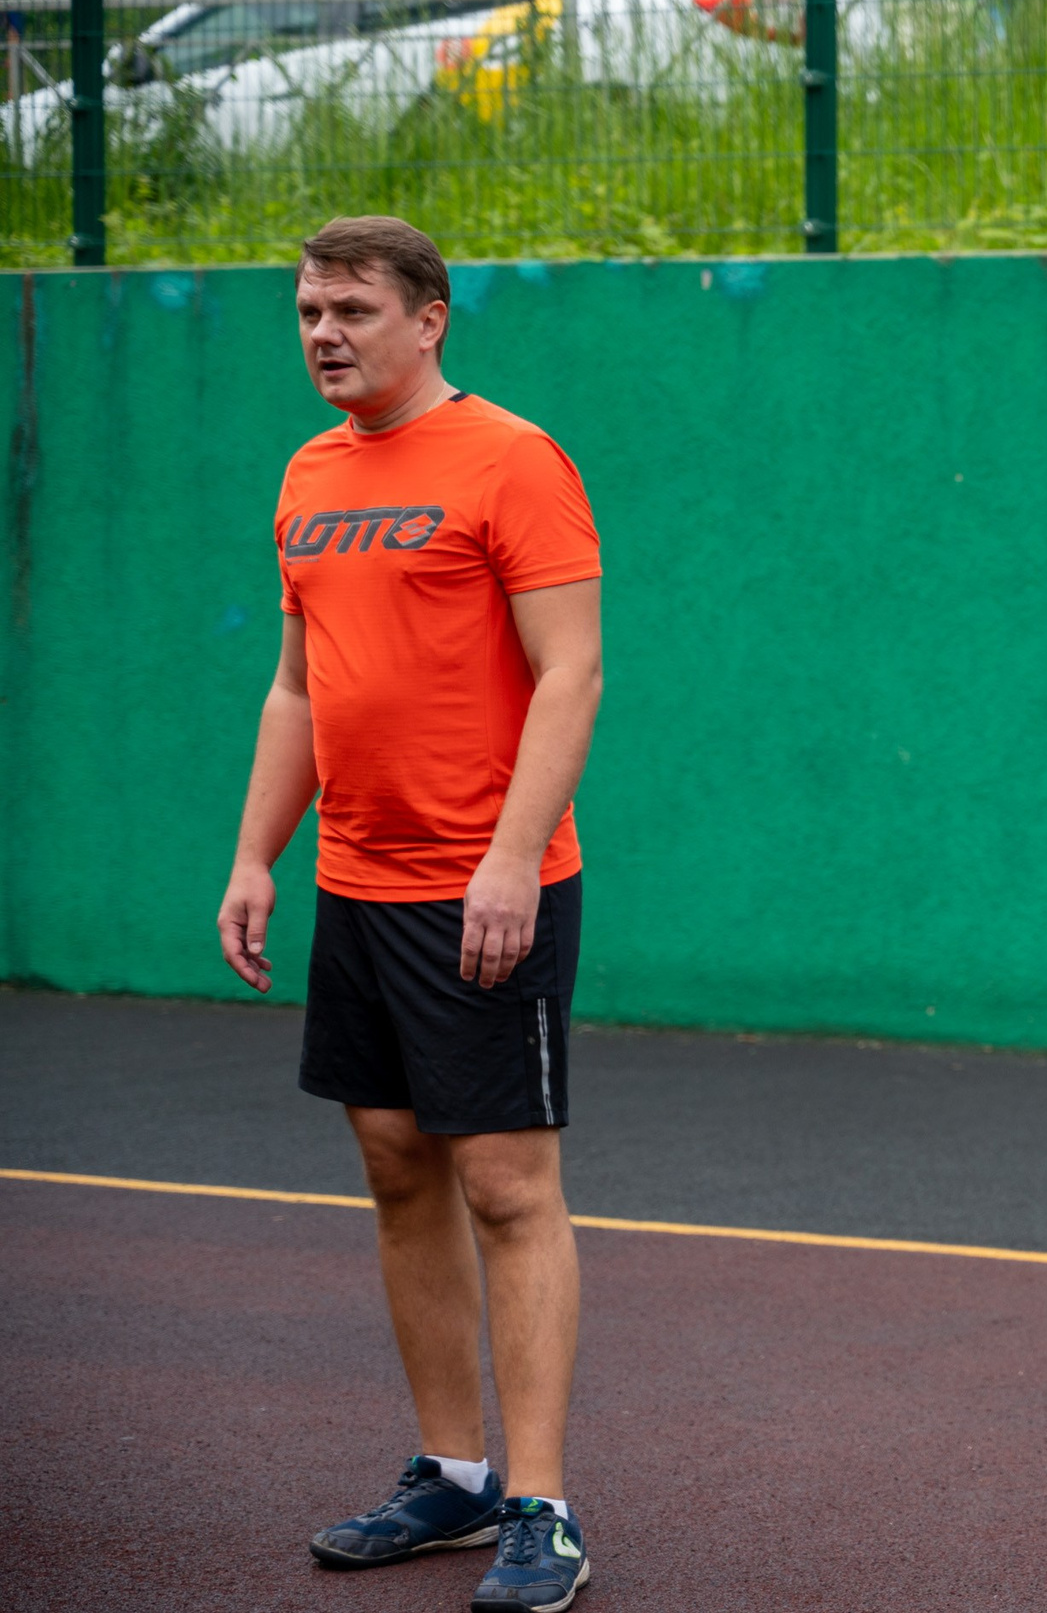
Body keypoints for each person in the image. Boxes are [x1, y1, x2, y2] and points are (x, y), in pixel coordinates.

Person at [216, 216, 605, 1613]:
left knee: (507, 1183)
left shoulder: (513, 459)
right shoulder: (310, 472)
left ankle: (544, 1508)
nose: (324, 333)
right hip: (355, 886)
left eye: (354, 310)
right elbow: (300, 687)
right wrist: (259, 854)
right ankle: (452, 1475)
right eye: (309, 311)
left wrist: (508, 860)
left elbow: (571, 675)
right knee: (394, 1165)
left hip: (486, 886)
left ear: (429, 318)